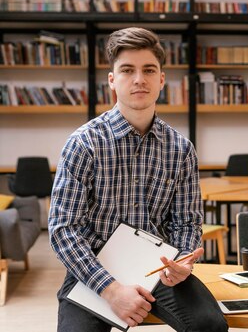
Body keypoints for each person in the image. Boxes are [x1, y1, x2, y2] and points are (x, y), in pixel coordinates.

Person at [48, 27, 228, 332]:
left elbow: (186, 222)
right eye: (127, 70)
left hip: (158, 265)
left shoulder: (180, 148)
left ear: (161, 79)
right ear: (112, 80)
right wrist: (111, 290)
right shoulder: (83, 143)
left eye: (148, 70)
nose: (139, 79)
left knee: (210, 325)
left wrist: (182, 262)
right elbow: (63, 230)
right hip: (93, 264)